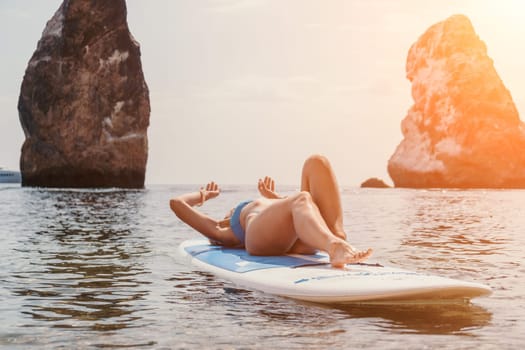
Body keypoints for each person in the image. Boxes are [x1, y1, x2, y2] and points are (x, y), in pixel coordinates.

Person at [169, 154, 372, 268]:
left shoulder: (275, 207)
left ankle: (335, 237)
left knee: (317, 162)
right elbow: (177, 204)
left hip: (298, 233)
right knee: (302, 198)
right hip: (260, 239)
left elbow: (301, 211)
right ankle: (334, 246)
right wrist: (203, 195)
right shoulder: (222, 229)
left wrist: (275, 198)